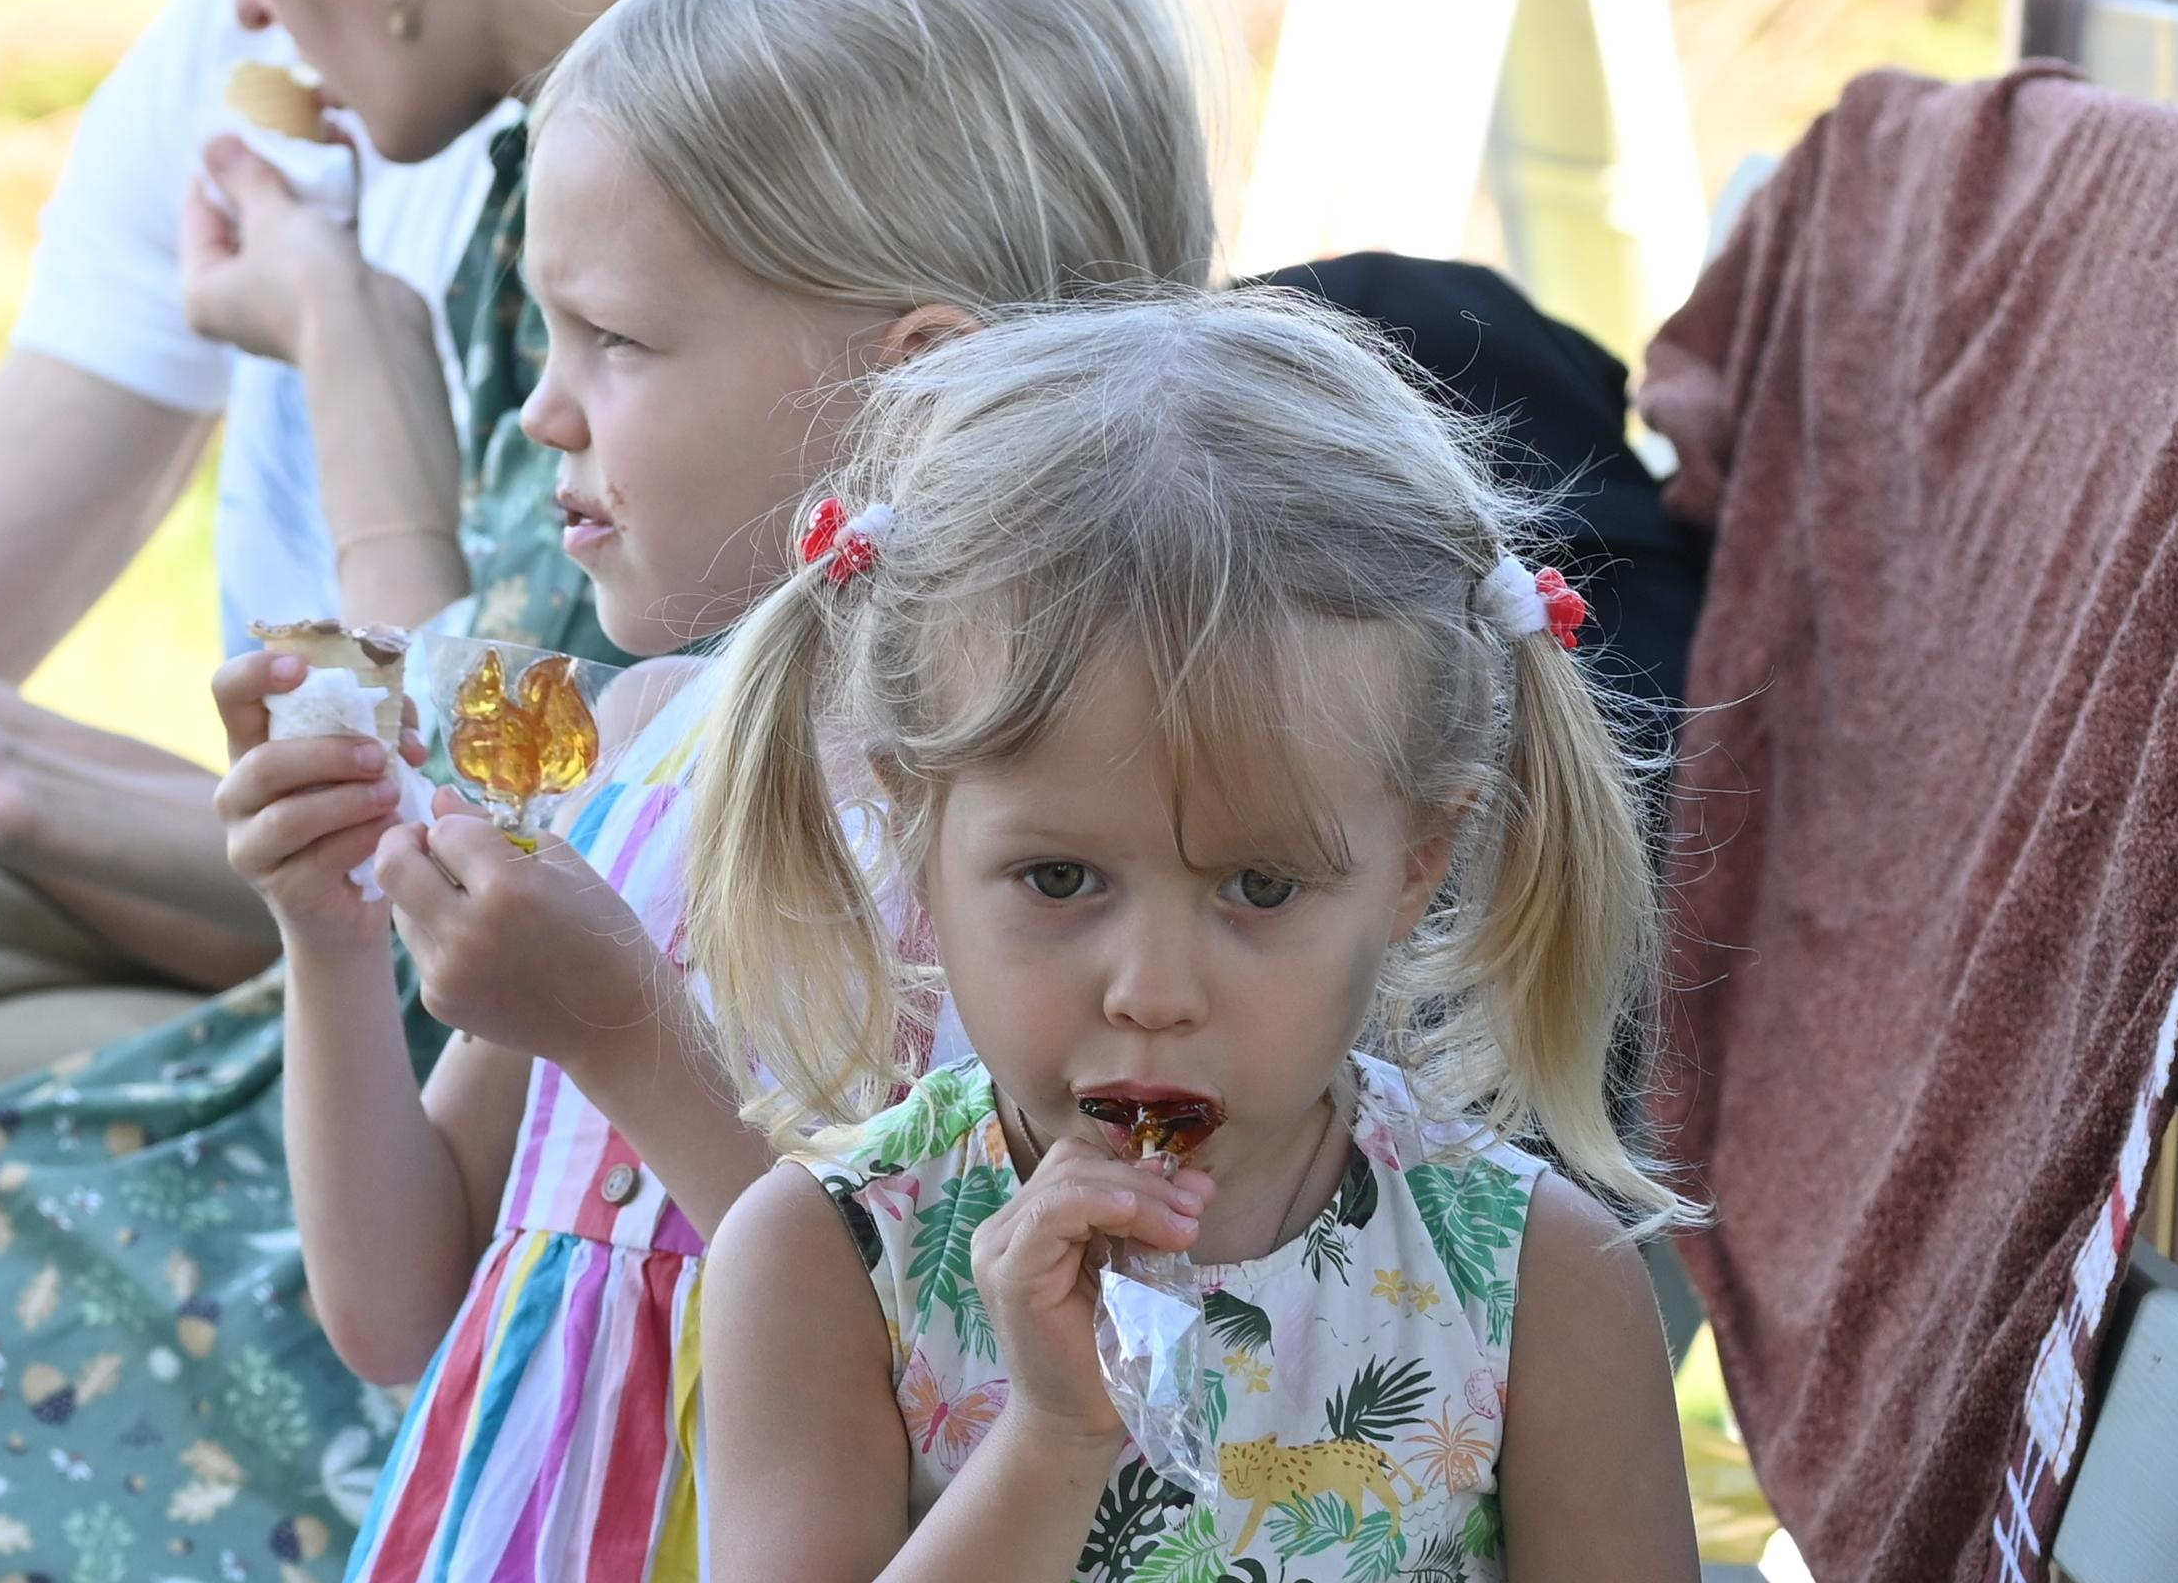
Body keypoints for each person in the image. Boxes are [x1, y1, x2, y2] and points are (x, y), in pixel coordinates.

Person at [206, 0, 1218, 1575]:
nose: (545, 411)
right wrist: (328, 941)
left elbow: (965, 1359)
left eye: (612, 339)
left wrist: (618, 1027)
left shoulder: (1039, 849)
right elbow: (400, 1306)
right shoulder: (646, 750)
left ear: (917, 390)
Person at [692, 292, 1703, 1581]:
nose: (1153, 994)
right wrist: (1056, 1439)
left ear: (1415, 868)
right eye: (1058, 877)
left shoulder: (1530, 1278)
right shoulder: (833, 1259)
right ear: (915, 830)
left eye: (1262, 889)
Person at [0, 0, 497, 1120]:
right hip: (316, 902)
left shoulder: (662, 132)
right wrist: (9, 776)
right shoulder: (265, 19)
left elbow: (490, 848)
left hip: (423, 988)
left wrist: (342, 342)